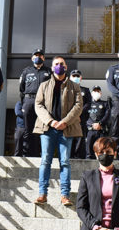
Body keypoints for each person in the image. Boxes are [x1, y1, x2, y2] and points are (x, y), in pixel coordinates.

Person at [33, 56, 83, 206]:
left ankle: (65, 195)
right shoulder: (44, 85)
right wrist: (51, 121)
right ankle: (42, 194)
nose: (59, 66)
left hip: (66, 129)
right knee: (45, 161)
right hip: (47, 128)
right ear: (52, 67)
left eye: (62, 64)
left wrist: (65, 122)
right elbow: (38, 105)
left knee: (65, 162)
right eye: (56, 64)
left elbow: (78, 106)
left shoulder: (74, 87)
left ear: (66, 67)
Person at [18, 48, 52, 157]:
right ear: (32, 58)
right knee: (28, 129)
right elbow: (21, 89)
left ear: (44, 58)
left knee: (42, 129)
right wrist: (24, 103)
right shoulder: (26, 71)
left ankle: (40, 154)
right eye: (36, 55)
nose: (38, 57)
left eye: (40, 55)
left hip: (43, 102)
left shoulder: (48, 71)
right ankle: (27, 154)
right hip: (29, 101)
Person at [69, 69, 92, 159]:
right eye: (74, 76)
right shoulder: (66, 89)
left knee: (80, 138)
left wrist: (78, 113)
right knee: (69, 138)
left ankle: (79, 157)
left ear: (81, 78)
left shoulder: (85, 90)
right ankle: (70, 156)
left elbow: (88, 104)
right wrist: (73, 115)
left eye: (77, 76)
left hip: (81, 118)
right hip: (69, 119)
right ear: (70, 78)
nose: (76, 77)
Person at [85, 86, 111, 159]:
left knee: (102, 148)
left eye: (98, 91)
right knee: (89, 149)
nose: (96, 93)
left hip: (101, 130)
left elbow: (107, 115)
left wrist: (100, 123)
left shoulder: (105, 104)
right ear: (92, 93)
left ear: (101, 93)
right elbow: (84, 116)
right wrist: (92, 124)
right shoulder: (88, 104)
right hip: (90, 129)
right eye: (95, 91)